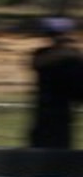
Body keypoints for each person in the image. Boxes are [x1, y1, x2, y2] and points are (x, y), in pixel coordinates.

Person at [28, 17, 83, 149]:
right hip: (47, 118)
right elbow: (38, 63)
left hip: (59, 117)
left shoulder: (73, 58)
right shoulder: (43, 55)